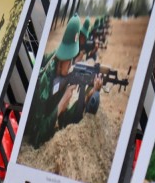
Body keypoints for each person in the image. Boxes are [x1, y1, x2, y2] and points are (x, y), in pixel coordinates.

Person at [24, 15, 103, 148]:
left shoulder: (62, 76)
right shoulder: (45, 80)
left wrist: (86, 98)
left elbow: (65, 123)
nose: (72, 64)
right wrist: (60, 105)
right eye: (70, 59)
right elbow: (35, 138)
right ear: (63, 56)